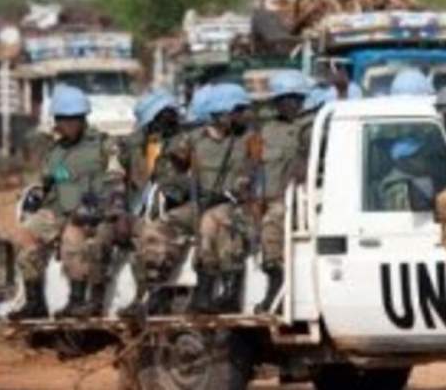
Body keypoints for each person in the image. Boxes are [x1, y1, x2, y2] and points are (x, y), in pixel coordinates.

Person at [9, 85, 125, 320]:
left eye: (73, 119)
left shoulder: (104, 145)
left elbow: (116, 180)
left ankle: (77, 301)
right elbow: (49, 182)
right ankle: (34, 302)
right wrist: (36, 197)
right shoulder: (55, 151)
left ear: (83, 119)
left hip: (92, 213)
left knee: (73, 237)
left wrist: (98, 206)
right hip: (58, 210)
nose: (67, 125)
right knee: (24, 235)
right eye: (62, 119)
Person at [183, 83, 260, 314]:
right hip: (207, 203)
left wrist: (234, 191)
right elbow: (174, 167)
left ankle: (228, 291)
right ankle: (204, 291)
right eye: (237, 111)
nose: (243, 115)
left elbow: (254, 171)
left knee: (215, 220)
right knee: (204, 219)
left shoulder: (250, 138)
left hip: (241, 205)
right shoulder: (195, 139)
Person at [117, 89, 185, 318]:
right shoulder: (130, 145)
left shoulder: (187, 141)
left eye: (169, 115)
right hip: (138, 210)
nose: (165, 122)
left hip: (173, 210)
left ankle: (149, 298)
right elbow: (115, 177)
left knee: (151, 234)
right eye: (159, 118)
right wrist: (119, 211)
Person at [254, 70, 311, 314]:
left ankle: (276, 282)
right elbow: (256, 165)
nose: (289, 104)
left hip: (298, 200)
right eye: (283, 99)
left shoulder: (311, 125)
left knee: (272, 221)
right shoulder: (267, 130)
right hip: (267, 197)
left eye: (294, 98)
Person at [379, 137, 437, 212]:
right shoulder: (397, 186)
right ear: (401, 161)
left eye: (422, 154)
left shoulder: (419, 176)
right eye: (416, 156)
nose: (423, 158)